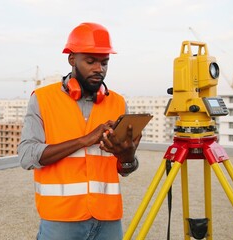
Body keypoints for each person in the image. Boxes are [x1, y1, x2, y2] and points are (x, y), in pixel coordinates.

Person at [17, 23, 141, 240]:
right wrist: (85, 140)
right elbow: (27, 157)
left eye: (104, 62)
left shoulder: (119, 103)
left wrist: (127, 156)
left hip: (108, 219)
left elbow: (126, 169)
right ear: (72, 59)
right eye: (90, 61)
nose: (98, 69)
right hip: (60, 220)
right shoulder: (42, 99)